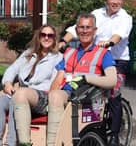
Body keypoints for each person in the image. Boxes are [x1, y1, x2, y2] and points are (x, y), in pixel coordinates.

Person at [59, 0, 133, 146]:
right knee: (85, 88)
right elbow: (76, 28)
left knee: (113, 92)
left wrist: (108, 43)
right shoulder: (97, 14)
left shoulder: (125, 18)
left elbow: (119, 35)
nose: (115, 2)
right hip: (95, 57)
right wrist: (63, 41)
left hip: (117, 60)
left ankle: (113, 135)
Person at [47, 13, 117, 146]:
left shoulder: (102, 53)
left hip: (87, 99)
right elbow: (58, 80)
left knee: (56, 97)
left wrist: (87, 78)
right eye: (81, 27)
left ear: (95, 31)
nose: (84, 31)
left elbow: (112, 80)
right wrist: (48, 98)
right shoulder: (69, 53)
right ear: (76, 30)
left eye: (88, 27)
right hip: (66, 95)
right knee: (52, 96)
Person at [0, 24, 63, 146]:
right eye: (43, 35)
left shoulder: (58, 58)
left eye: (50, 35)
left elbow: (55, 84)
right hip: (22, 94)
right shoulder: (28, 54)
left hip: (42, 98)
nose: (46, 38)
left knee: (17, 99)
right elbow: (12, 69)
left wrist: (28, 92)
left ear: (54, 39)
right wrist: (7, 82)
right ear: (38, 37)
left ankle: (11, 143)